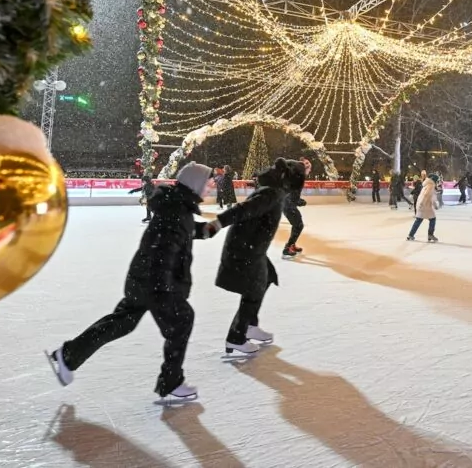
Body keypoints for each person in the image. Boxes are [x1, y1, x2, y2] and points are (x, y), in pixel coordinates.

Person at [47, 163, 213, 404]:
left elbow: (180, 231)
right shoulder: (177, 210)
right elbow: (164, 250)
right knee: (181, 321)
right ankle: (171, 382)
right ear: (196, 184)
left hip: (143, 280)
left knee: (121, 323)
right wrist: (165, 293)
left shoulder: (176, 207)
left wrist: (209, 228)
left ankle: (69, 354)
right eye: (207, 181)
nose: (211, 186)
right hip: (154, 284)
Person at [206, 158, 306, 355]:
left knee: (266, 277)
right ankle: (236, 337)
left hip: (251, 246)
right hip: (245, 248)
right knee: (255, 288)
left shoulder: (275, 191)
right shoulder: (271, 193)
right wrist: (215, 225)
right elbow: (243, 210)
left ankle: (249, 325)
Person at [280, 158, 310, 259]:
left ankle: (291, 245)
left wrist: (298, 201)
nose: (309, 170)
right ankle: (287, 248)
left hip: (287, 204)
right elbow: (293, 194)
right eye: (308, 168)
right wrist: (299, 201)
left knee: (297, 225)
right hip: (288, 205)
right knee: (298, 225)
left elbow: (292, 193)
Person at [407, 175, 440, 242]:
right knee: (433, 219)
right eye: (437, 181)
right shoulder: (431, 186)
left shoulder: (427, 184)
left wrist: (420, 204)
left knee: (418, 220)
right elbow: (428, 196)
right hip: (425, 206)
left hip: (422, 205)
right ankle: (430, 234)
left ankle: (410, 235)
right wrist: (435, 205)